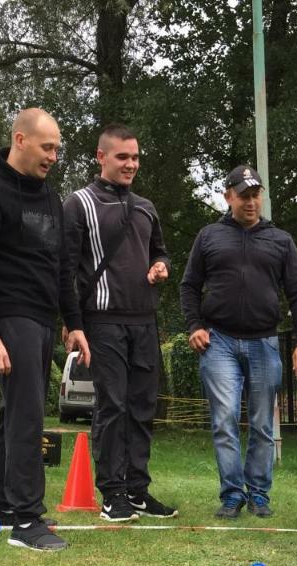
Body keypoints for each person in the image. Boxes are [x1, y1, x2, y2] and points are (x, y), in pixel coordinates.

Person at [0, 108, 83, 552]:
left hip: (43, 317)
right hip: (11, 317)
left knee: (14, 413)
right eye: (47, 147)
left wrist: (75, 322)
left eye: (57, 149)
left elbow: (62, 264)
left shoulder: (49, 196)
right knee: (28, 416)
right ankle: (28, 523)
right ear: (20, 140)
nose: (53, 156)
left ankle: (7, 506)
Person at [179, 165, 297, 518]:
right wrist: (195, 325)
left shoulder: (281, 240)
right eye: (244, 196)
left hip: (264, 342)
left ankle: (259, 494)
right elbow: (189, 286)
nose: (251, 202)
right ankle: (232, 494)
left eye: (256, 195)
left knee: (262, 424)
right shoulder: (208, 236)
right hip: (218, 342)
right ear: (228, 197)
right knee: (223, 420)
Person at [62, 124, 175, 523]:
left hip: (145, 322)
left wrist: (161, 266)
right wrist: (73, 322)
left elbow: (160, 252)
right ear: (101, 157)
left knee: (144, 407)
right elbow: (66, 269)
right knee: (112, 406)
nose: (131, 164)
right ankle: (113, 494)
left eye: (136, 157)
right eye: (123, 157)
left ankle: (138, 490)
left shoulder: (146, 206)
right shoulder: (78, 204)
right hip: (103, 322)